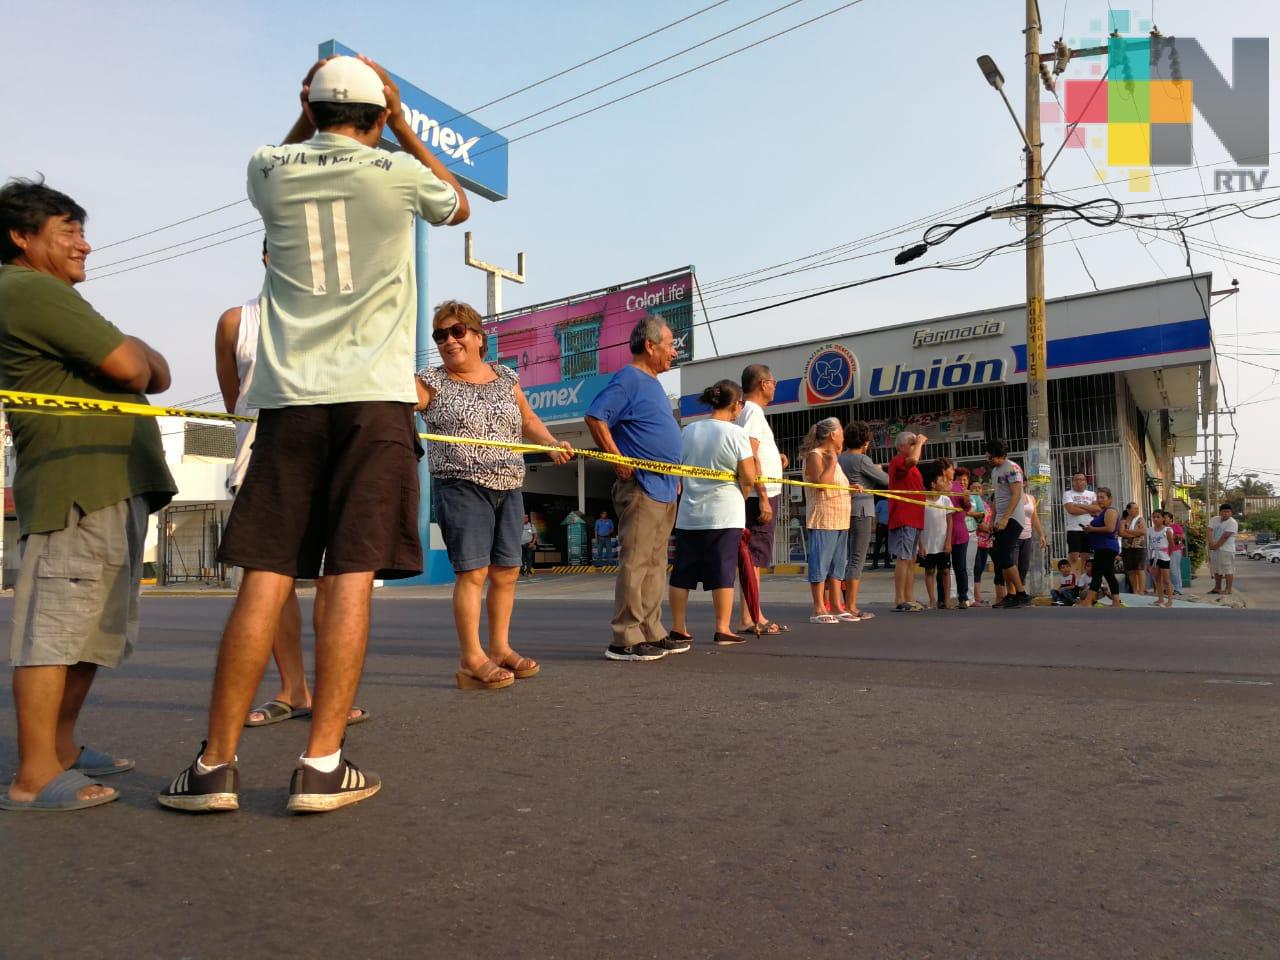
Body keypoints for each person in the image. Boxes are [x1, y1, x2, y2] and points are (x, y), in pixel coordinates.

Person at [160, 55, 471, 814]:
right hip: (374, 401)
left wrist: (311, 108)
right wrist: (398, 121)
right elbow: (456, 206)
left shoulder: (270, 167)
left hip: (290, 402)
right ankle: (322, 765)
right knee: (349, 574)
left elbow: (287, 149)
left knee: (267, 574)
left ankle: (214, 768)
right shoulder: (397, 172)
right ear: (376, 117)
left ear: (311, 106)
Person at [0, 177, 176, 812]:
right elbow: (136, 368)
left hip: (107, 484)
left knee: (88, 632)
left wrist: (136, 356)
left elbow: (155, 367)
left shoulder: (49, 296)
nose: (85, 245)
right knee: (55, 630)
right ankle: (33, 776)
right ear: (21, 237)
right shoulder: (26, 288)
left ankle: (62, 748)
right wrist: (134, 357)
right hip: (77, 487)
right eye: (68, 232)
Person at [214, 245, 367, 729]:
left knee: (331, 581)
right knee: (270, 585)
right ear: (264, 257)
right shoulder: (237, 322)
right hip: (261, 464)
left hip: (327, 463)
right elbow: (234, 399)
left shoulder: (340, 317)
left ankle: (329, 697)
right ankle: (292, 688)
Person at [417, 301, 571, 689]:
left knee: (506, 571)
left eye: (457, 332)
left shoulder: (505, 376)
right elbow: (397, 405)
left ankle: (499, 648)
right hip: (461, 484)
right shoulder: (430, 380)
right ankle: (472, 658)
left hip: (508, 484)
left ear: (477, 337)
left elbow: (529, 420)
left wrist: (551, 443)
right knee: (473, 573)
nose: (449, 341)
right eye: (441, 335)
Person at [586, 316, 683, 662]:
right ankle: (624, 637)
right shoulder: (629, 379)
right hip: (641, 487)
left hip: (665, 487)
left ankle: (651, 629)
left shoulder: (654, 383)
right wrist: (617, 459)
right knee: (636, 563)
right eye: (670, 345)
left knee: (656, 564)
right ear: (650, 346)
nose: (674, 351)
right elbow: (596, 417)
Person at [668, 380, 756, 646]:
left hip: (689, 514)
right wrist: (742, 495)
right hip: (724, 513)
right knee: (723, 571)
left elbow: (677, 468)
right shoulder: (736, 433)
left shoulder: (689, 430)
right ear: (736, 404)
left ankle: (678, 627)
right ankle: (722, 628)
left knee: (682, 572)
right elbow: (749, 476)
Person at [735, 363, 790, 634]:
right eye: (773, 381)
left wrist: (776, 460)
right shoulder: (753, 412)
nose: (775, 385)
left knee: (752, 557)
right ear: (763, 384)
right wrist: (764, 497)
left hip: (759, 494)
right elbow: (750, 455)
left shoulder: (749, 413)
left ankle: (752, 613)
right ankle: (751, 616)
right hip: (759, 498)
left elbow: (756, 454)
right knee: (753, 557)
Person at [801, 418, 858, 623]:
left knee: (837, 566)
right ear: (833, 434)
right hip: (824, 519)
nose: (843, 436)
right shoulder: (815, 455)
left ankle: (835, 605)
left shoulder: (835, 456)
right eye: (841, 432)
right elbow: (822, 485)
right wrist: (833, 462)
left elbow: (835, 484)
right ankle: (819, 607)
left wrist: (850, 488)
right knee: (820, 564)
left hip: (840, 518)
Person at [839, 420, 888, 621]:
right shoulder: (862, 459)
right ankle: (851, 605)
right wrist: (877, 469)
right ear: (865, 442)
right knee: (857, 558)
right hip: (862, 509)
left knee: (844, 557)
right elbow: (886, 481)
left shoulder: (840, 458)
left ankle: (841, 602)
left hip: (843, 509)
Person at [987, 439, 1031, 608]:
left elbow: (1016, 495)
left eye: (990, 455)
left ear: (998, 455)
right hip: (1001, 519)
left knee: (1005, 555)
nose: (987, 458)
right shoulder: (995, 471)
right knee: (999, 556)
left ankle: (1021, 593)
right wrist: (993, 519)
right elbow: (998, 498)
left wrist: (1005, 518)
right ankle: (1011, 594)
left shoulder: (1012, 468)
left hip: (1013, 518)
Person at [888, 431, 927, 612]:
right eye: (911, 443)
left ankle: (909, 598)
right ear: (902, 446)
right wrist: (919, 442)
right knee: (903, 558)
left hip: (915, 517)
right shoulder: (899, 460)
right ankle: (899, 598)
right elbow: (912, 460)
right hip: (904, 516)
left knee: (911, 560)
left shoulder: (914, 469)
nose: (915, 446)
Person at [1078, 486, 1123, 607]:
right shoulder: (1102, 512)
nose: (1099, 499)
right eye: (1098, 497)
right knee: (1109, 574)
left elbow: (1110, 528)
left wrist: (1092, 529)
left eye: (1102, 497)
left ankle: (1087, 601)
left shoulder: (1110, 511)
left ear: (1110, 499)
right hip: (1102, 547)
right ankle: (1115, 601)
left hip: (1106, 547)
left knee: (1097, 573)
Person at [918, 462, 954, 610]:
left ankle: (947, 599)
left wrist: (948, 542)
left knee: (945, 571)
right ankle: (932, 600)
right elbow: (918, 524)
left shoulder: (945, 500)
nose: (944, 483)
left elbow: (950, 522)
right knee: (929, 571)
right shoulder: (921, 501)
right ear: (933, 484)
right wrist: (920, 545)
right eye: (941, 480)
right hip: (928, 544)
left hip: (942, 543)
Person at [1061, 472, 1097, 577]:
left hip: (1088, 528)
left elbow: (1096, 510)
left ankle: (1083, 579)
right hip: (1074, 529)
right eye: (1076, 479)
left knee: (1086, 557)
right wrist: (1088, 508)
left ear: (1086, 482)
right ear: (1072, 482)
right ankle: (1071, 579)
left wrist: (1078, 506)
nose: (1079, 482)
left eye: (1081, 479)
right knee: (1073, 557)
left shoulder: (1092, 494)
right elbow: (1071, 510)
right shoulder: (1068, 494)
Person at [948, 465, 973, 608]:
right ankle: (944, 598)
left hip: (961, 533)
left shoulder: (965, 493)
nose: (962, 482)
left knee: (960, 567)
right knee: (944, 568)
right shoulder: (948, 489)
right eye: (959, 479)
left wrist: (966, 498)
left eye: (965, 480)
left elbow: (968, 508)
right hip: (945, 533)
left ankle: (963, 598)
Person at [971, 482, 994, 606]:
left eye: (978, 488)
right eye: (973, 487)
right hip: (975, 540)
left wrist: (990, 529)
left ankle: (977, 596)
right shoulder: (971, 503)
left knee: (980, 569)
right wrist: (986, 528)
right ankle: (975, 597)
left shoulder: (985, 504)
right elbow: (976, 521)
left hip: (986, 542)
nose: (976, 489)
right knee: (976, 568)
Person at [1208, 503, 1238, 596]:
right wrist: (1211, 543)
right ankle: (1217, 588)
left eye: (1228, 512)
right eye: (1224, 512)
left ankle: (1228, 589)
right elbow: (1209, 530)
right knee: (1216, 569)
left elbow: (1225, 536)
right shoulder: (1214, 519)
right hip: (1215, 549)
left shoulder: (1232, 522)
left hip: (1226, 550)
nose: (1226, 514)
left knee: (1228, 569)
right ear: (1220, 512)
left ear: (1231, 513)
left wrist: (1215, 546)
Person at [1119, 503, 1148, 595]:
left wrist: (1128, 531)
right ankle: (1135, 590)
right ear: (1128, 510)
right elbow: (1121, 533)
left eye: (1137, 508)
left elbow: (1143, 531)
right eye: (1134, 508)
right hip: (1126, 548)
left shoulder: (1140, 519)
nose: (1137, 510)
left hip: (1139, 547)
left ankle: (1141, 590)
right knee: (1130, 570)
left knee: (1139, 569)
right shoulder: (1123, 520)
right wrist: (1135, 533)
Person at [1148, 511, 1174, 607]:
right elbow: (1149, 543)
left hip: (1164, 556)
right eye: (1153, 517)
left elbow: (1171, 545)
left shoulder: (1167, 530)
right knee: (1157, 578)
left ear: (1163, 518)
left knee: (1166, 580)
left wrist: (1168, 555)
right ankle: (1160, 599)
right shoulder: (1150, 530)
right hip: (1154, 555)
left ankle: (1170, 601)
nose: (1155, 519)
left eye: (1158, 517)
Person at [1164, 509, 1185, 595]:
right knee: (1167, 571)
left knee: (1174, 570)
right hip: (1165, 551)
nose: (1164, 519)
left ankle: (1178, 588)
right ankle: (1170, 588)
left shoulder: (1175, 526)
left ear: (1170, 518)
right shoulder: (1162, 528)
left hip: (1175, 550)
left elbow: (1183, 537)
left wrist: (1175, 537)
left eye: (1165, 518)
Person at [870, 497, 890, 569]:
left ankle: (887, 563)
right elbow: (875, 514)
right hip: (881, 526)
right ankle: (875, 563)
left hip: (890, 527)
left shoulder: (893, 502)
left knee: (888, 546)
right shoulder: (881, 502)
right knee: (878, 545)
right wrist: (874, 525)